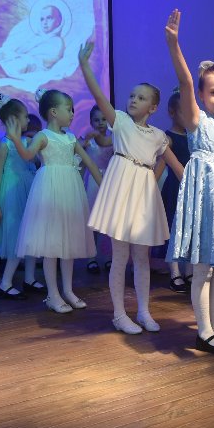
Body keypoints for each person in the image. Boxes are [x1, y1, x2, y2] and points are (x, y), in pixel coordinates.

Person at [78, 41, 184, 335]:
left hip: (143, 193)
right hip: (122, 188)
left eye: (141, 97)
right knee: (120, 255)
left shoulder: (159, 135)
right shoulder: (121, 121)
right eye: (132, 95)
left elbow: (176, 167)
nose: (134, 100)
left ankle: (144, 311)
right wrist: (85, 66)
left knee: (142, 257)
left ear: (153, 107)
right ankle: (119, 314)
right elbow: (99, 97)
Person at [164, 9, 214, 356]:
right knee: (203, 270)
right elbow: (185, 82)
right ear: (201, 95)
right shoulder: (198, 121)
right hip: (203, 201)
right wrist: (174, 44)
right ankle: (204, 332)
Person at [7, 89, 102, 313]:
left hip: (70, 190)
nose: (72, 114)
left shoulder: (71, 137)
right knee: (52, 244)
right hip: (50, 189)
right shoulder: (43, 136)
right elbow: (28, 155)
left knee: (68, 243)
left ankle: (68, 290)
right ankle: (53, 294)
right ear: (53, 112)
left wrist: (106, 187)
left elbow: (89, 163)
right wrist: (16, 139)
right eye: (69, 109)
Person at [0, 94, 39, 299]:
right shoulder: (4, 145)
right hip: (12, 193)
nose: (28, 120)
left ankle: (29, 278)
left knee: (31, 234)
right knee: (16, 236)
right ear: (14, 119)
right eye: (25, 116)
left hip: (27, 189)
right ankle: (5, 283)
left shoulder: (27, 141)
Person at [161, 89, 193, 293]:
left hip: (191, 187)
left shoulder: (193, 136)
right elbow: (161, 164)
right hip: (175, 187)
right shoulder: (168, 138)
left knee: (190, 228)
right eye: (183, 111)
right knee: (174, 227)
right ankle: (174, 272)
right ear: (172, 112)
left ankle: (189, 269)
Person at [81, 105, 114, 274]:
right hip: (93, 182)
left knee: (108, 220)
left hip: (110, 180)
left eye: (103, 119)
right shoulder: (87, 141)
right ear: (91, 122)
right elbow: (80, 162)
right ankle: (91, 258)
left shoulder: (113, 139)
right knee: (92, 220)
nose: (100, 123)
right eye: (96, 120)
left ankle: (108, 257)